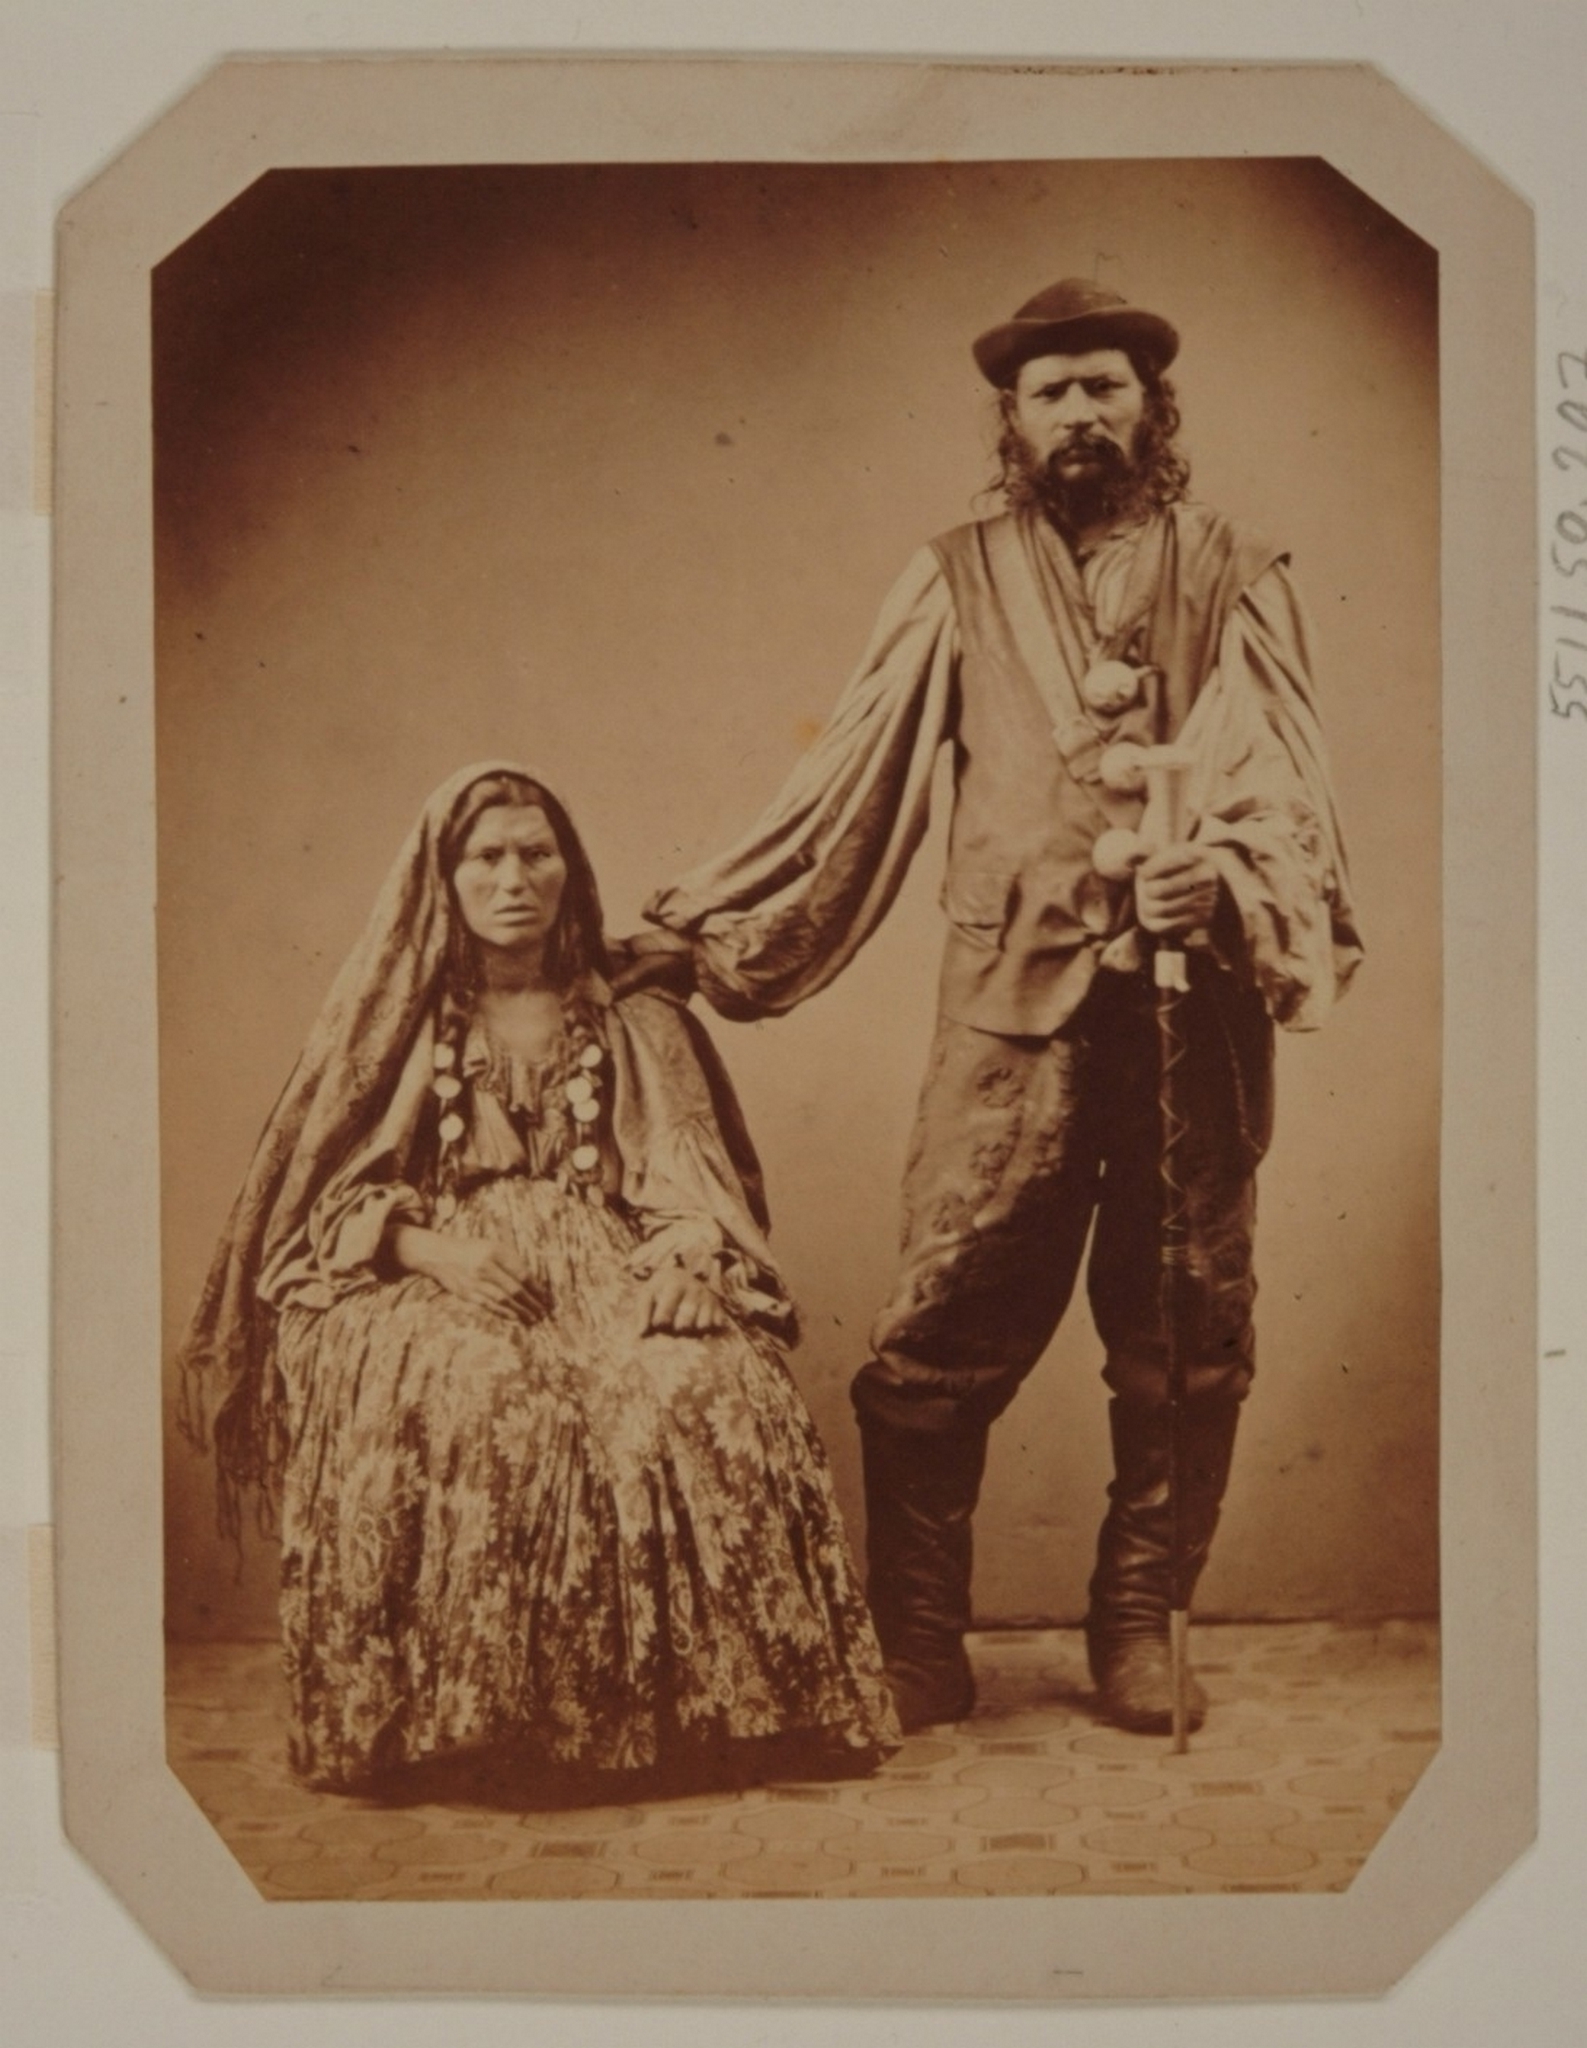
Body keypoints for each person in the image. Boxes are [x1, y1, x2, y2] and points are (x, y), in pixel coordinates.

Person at [626, 277, 1362, 1737]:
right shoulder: (952, 578)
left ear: (1153, 407)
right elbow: (848, 782)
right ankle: (918, 1638)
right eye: (1051, 392)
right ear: (1011, 421)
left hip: (1188, 1019)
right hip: (1006, 1014)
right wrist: (701, 927)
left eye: (1105, 385)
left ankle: (1137, 1627)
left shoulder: (1235, 571)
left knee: (1184, 1327)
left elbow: (1285, 787)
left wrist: (1216, 881)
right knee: (942, 1324)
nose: (1080, 412)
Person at [177, 762, 898, 1793]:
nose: (513, 879)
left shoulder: (633, 1017)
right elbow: (324, 1194)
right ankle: (478, 1730)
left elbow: (689, 1174)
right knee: (495, 1393)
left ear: (570, 869)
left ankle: (710, 1721)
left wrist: (690, 1259)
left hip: (611, 1257)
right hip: (440, 1268)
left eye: (535, 853)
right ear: (444, 877)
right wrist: (429, 1248)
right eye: (486, 857)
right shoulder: (399, 1023)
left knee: (703, 1384)